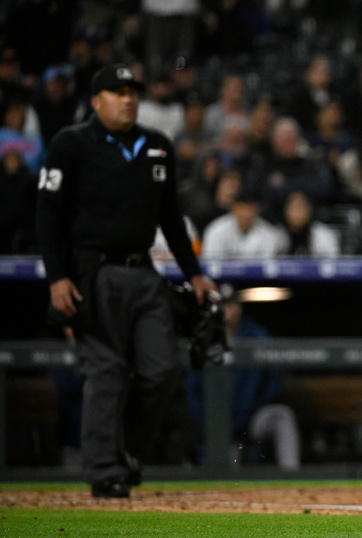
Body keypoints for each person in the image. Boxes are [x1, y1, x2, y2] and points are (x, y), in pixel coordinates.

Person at [35, 63, 218, 498]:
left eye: (132, 90)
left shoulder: (157, 145)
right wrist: (57, 278)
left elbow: (169, 217)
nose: (128, 98)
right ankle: (103, 471)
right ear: (96, 101)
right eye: (117, 92)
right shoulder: (71, 143)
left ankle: (128, 450)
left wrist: (193, 274)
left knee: (163, 370)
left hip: (144, 271)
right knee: (106, 371)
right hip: (90, 272)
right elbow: (47, 215)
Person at [185, 283, 301, 470]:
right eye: (222, 306)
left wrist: (248, 414)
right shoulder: (204, 340)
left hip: (252, 419)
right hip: (218, 424)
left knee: (282, 416)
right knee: (227, 476)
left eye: (231, 305)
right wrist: (211, 423)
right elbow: (192, 392)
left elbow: (272, 381)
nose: (227, 311)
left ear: (240, 307)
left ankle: (293, 478)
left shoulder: (256, 335)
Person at [201, 186, 287, 258]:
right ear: (233, 208)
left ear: (257, 211)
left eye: (250, 208)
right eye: (242, 208)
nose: (246, 214)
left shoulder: (268, 234)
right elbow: (211, 265)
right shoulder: (216, 230)